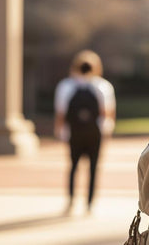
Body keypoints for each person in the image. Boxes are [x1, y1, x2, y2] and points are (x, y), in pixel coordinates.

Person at [54, 50, 116, 213]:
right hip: (95, 132)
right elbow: (107, 112)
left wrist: (60, 131)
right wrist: (107, 131)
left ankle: (71, 200)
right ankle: (89, 203)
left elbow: (61, 113)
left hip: (74, 132)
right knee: (93, 167)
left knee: (73, 166)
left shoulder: (66, 86)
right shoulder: (103, 86)